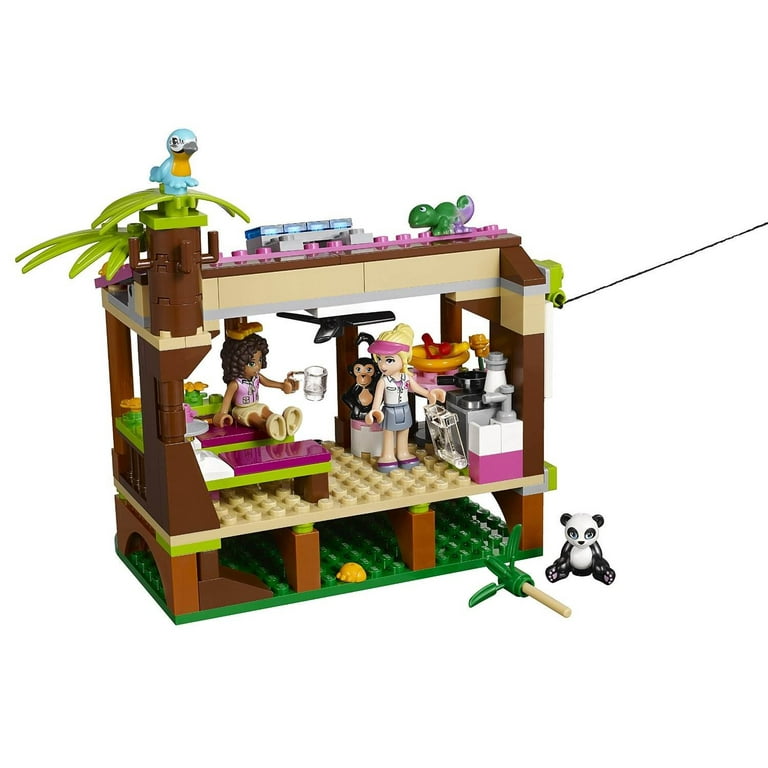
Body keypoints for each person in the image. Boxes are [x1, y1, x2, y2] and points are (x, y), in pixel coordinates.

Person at [365, 323, 445, 472]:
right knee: (388, 434)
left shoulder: (406, 378)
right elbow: (377, 400)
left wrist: (430, 394)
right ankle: (387, 455)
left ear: (403, 359)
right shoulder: (383, 381)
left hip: (404, 409)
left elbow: (417, 389)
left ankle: (403, 453)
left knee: (404, 432)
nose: (382, 365)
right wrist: (375, 410)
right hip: (389, 410)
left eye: (389, 360)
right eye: (379, 359)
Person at [213, 324, 302, 441]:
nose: (258, 366)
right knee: (255, 418)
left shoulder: (257, 377)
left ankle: (284, 423)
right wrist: (223, 413)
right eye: (252, 363)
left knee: (266, 412)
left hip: (256, 404)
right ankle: (267, 427)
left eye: (259, 360)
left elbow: (268, 382)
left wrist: (282, 386)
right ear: (238, 364)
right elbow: (227, 399)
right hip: (242, 410)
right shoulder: (235, 384)